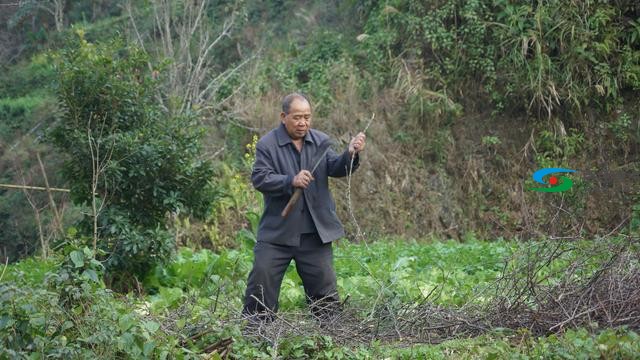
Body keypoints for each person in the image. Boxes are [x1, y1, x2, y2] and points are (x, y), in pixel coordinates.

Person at [242, 92, 366, 322]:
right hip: (278, 232)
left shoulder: (319, 141)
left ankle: (330, 338)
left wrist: (350, 154)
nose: (303, 123)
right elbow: (260, 178)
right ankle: (254, 334)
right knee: (260, 283)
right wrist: (290, 180)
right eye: (297, 117)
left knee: (325, 293)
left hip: (313, 233)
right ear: (283, 116)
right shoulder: (267, 145)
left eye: (307, 117)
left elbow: (336, 168)